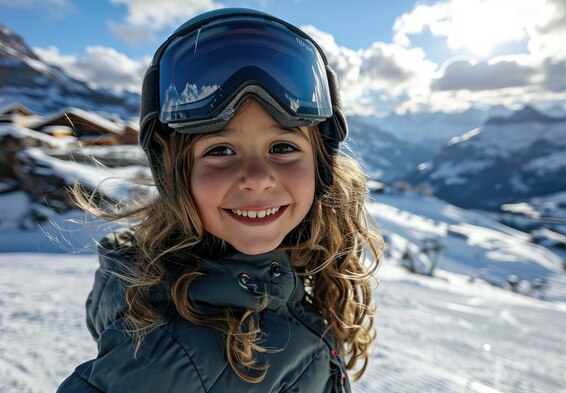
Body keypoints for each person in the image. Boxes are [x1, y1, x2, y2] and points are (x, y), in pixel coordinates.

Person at [57, 7, 383, 393]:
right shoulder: (170, 358)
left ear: (321, 165)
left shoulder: (287, 275)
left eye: (282, 146)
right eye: (221, 150)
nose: (258, 178)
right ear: (175, 175)